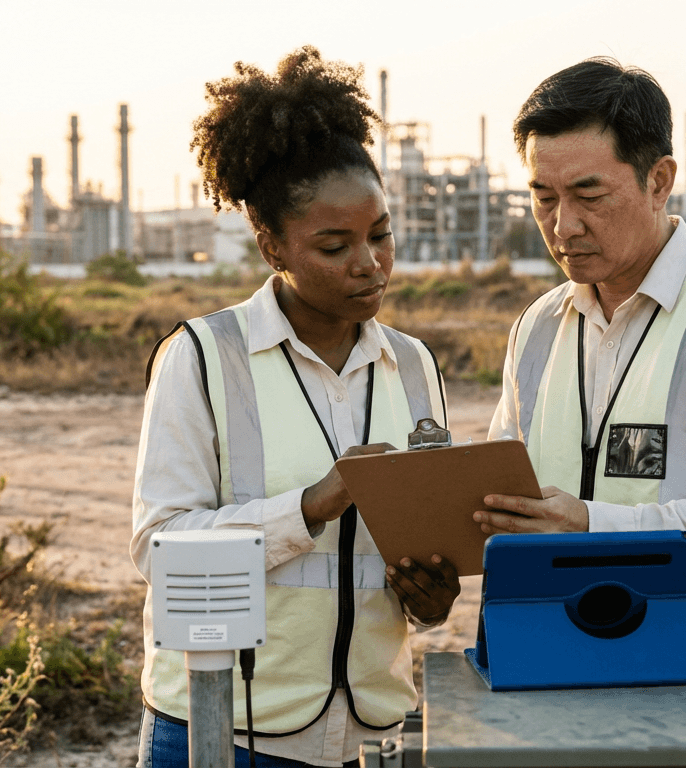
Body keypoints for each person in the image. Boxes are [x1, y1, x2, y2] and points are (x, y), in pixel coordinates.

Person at [131, 46, 461, 768]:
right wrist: (313, 503)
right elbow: (159, 546)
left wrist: (431, 594)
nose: (369, 262)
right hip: (226, 730)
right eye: (335, 245)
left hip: (376, 733)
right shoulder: (203, 357)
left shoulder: (412, 365)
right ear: (271, 243)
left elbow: (418, 545)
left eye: (380, 234)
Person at [473, 57, 686, 650]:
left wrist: (587, 525)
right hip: (554, 664)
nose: (563, 226)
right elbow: (509, 498)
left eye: (589, 194)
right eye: (543, 197)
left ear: (659, 180)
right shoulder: (537, 326)